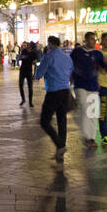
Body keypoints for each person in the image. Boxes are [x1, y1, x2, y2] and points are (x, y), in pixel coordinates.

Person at [34, 35, 73, 163]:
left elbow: (38, 74)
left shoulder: (49, 57)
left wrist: (40, 63)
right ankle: (60, 152)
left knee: (44, 121)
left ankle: (60, 145)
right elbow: (70, 72)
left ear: (50, 44)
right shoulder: (67, 58)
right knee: (62, 121)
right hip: (65, 91)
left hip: (53, 92)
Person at [70, 32, 104, 151]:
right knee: (85, 109)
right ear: (85, 40)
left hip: (93, 86)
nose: (93, 41)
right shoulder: (77, 52)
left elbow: (102, 68)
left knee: (93, 113)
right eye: (91, 39)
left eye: (95, 39)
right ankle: (86, 136)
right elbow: (70, 66)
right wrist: (69, 79)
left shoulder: (98, 54)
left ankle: (91, 137)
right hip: (80, 85)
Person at [18, 42, 37, 107]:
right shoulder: (24, 51)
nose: (27, 46)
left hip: (29, 71)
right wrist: (23, 57)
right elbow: (20, 57)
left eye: (29, 45)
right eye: (27, 45)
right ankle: (23, 99)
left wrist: (34, 74)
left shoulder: (33, 53)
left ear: (31, 46)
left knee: (30, 87)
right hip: (22, 71)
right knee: (20, 85)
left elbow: (36, 63)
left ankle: (30, 102)